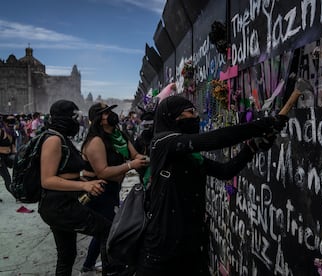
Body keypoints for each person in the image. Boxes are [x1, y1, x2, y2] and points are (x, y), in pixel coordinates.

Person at [135, 95, 288, 275]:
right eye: (190, 112)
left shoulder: (191, 155)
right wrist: (264, 124)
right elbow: (214, 140)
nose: (196, 116)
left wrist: (252, 147)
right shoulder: (162, 143)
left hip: (191, 248)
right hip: (161, 254)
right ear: (173, 116)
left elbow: (225, 171)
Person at [37, 100, 117, 276]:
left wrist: (84, 180)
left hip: (60, 204)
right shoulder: (54, 140)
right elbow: (47, 180)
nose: (77, 120)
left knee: (66, 256)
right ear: (64, 118)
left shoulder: (61, 138)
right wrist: (84, 184)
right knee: (108, 231)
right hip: (59, 206)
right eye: (74, 116)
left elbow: (64, 173)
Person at [80, 103, 149, 274]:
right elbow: (102, 172)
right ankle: (110, 270)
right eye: (105, 113)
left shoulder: (119, 135)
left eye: (110, 111)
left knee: (106, 229)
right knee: (109, 230)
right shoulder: (96, 141)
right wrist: (130, 165)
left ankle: (89, 264)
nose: (111, 114)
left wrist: (147, 159)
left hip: (113, 189)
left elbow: (135, 155)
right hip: (98, 191)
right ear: (99, 119)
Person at [0, 115, 17, 200]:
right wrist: (3, 150)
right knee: (7, 178)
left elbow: (13, 146)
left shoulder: (12, 132)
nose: (12, 123)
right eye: (9, 121)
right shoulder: (1, 132)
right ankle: (16, 195)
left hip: (6, 158)